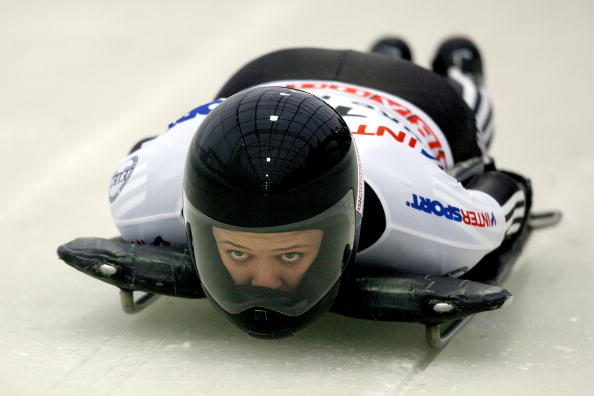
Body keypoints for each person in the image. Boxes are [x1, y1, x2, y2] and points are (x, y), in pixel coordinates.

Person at [108, 37, 529, 337]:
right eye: (237, 252)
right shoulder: (142, 194)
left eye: (290, 254)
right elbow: (146, 151)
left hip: (412, 95)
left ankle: (457, 74)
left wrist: (477, 179)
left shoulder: (427, 222)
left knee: (471, 121)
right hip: (267, 78)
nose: (265, 281)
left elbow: (502, 192)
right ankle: (388, 55)